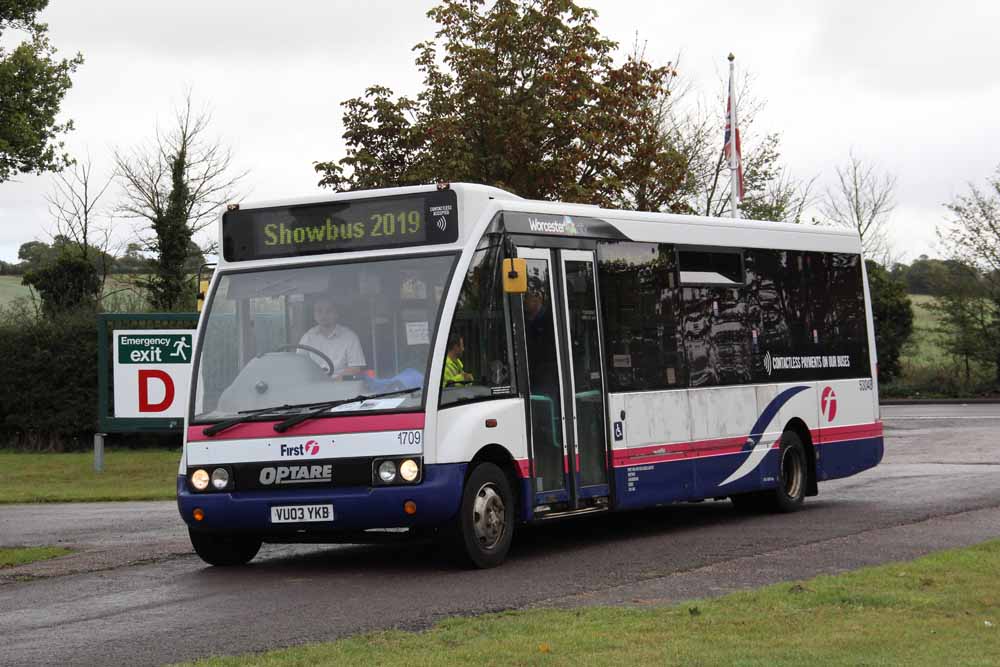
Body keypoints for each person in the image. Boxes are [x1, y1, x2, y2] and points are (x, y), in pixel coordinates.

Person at [298, 297, 366, 377]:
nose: (323, 315)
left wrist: (333, 382)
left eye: (328, 311)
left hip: (342, 385)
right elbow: (299, 366)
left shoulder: (350, 337)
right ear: (314, 315)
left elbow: (355, 368)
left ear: (336, 314)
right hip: (314, 385)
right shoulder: (307, 338)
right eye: (319, 311)